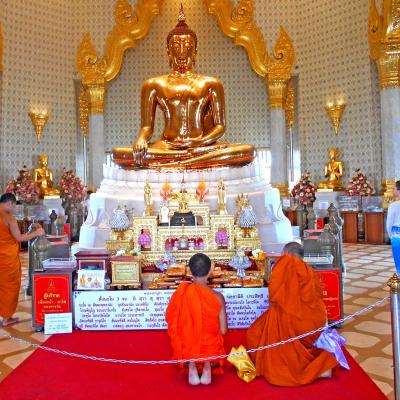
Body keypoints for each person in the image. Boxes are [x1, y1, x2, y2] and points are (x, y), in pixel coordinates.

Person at [112, 5, 255, 169]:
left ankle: (181, 162)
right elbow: (146, 127)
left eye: (187, 45)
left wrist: (199, 142)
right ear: (168, 51)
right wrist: (141, 139)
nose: (181, 52)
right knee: (121, 154)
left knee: (246, 151)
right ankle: (188, 162)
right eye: (176, 46)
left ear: (195, 50)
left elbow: (220, 127)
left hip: (202, 146)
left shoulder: (211, 84)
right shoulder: (153, 84)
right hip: (167, 147)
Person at [246, 242, 340, 386]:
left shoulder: (287, 263)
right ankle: (308, 362)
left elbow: (274, 296)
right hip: (316, 322)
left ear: (287, 254)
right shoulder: (308, 270)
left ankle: (312, 369)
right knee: (276, 323)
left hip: (296, 321)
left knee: (256, 332)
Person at [166, 253, 227, 385]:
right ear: (210, 271)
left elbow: (173, 323)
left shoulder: (181, 294)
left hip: (188, 346)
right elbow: (223, 330)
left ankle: (192, 364)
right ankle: (206, 365)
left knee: (188, 332)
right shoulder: (218, 297)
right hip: (210, 347)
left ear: (190, 271)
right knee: (212, 337)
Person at [0, 193, 45, 326]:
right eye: (13, 206)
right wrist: (37, 233)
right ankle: (7, 318)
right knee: (9, 285)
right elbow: (19, 238)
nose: (13, 209)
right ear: (10, 204)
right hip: (6, 258)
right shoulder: (9, 218)